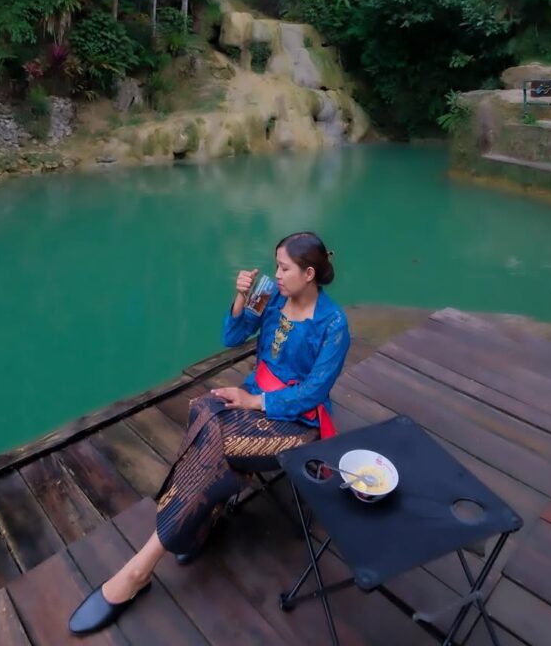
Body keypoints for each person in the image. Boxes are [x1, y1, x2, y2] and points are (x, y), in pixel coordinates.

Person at [68, 231, 350, 637]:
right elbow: (231, 337)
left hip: (298, 422)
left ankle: (139, 569)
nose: (276, 274)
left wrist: (255, 403)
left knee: (211, 431)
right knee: (203, 410)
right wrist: (242, 297)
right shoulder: (269, 294)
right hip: (254, 395)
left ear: (309, 273)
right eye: (275, 266)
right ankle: (199, 516)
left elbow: (315, 392)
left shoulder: (334, 323)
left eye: (284, 268)